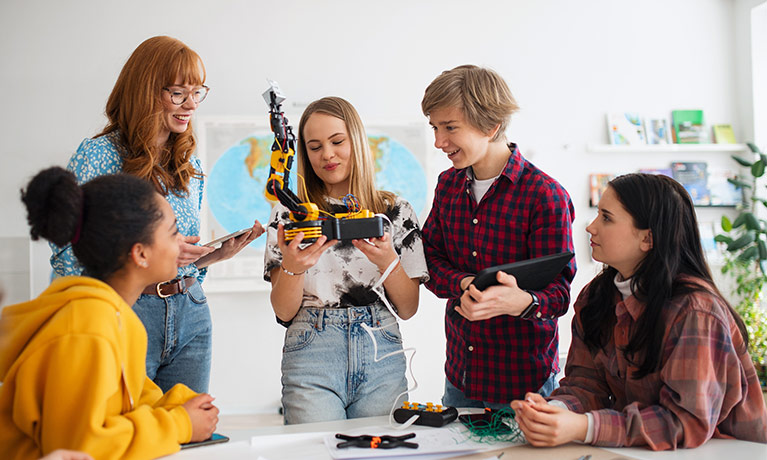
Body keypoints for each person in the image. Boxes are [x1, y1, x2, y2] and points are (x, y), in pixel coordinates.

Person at [50, 36, 264, 393]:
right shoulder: (99, 155)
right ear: (146, 91)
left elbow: (179, 253)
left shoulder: (189, 164)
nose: (191, 104)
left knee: (187, 437)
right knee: (127, 436)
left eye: (197, 92)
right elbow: (66, 254)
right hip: (129, 311)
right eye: (178, 93)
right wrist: (146, 259)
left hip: (191, 309)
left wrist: (210, 257)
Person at [511, 173, 767, 450]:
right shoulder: (595, 296)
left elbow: (684, 421)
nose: (591, 227)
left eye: (606, 218)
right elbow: (585, 383)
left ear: (647, 239)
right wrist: (555, 410)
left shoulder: (696, 311)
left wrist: (586, 427)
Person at [1, 167, 219, 459]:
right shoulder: (87, 328)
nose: (180, 242)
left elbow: (136, 398)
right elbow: (77, 450)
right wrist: (179, 423)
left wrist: (182, 406)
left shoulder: (119, 317)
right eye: (173, 232)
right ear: (140, 253)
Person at [264, 96, 429, 424]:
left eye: (337, 141)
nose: (327, 154)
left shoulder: (396, 211)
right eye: (314, 146)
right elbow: (283, 311)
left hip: (381, 347)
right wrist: (294, 268)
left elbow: (409, 308)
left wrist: (388, 261)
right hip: (311, 349)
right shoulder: (290, 215)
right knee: (313, 450)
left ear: (357, 140)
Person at [420, 65, 576, 409]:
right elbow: (428, 257)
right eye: (434, 127)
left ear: (491, 127)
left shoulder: (545, 195)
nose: (438, 141)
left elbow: (559, 295)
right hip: (460, 377)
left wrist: (521, 302)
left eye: (449, 128)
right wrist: (463, 283)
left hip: (525, 386)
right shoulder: (448, 186)